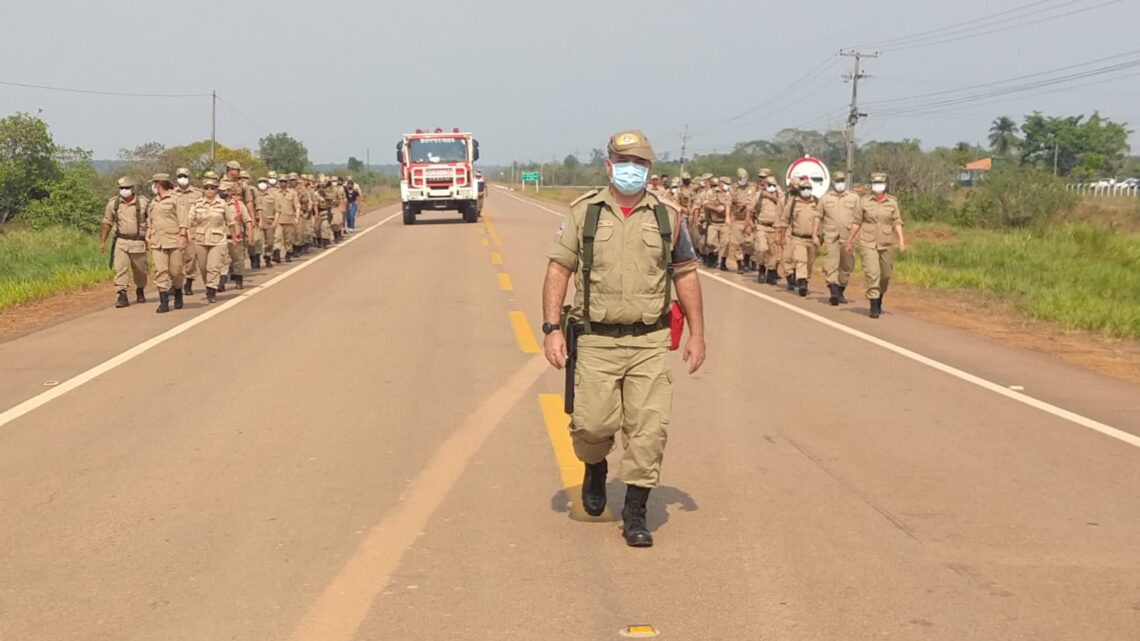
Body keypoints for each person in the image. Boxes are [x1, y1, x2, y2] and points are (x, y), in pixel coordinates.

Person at [542, 130, 706, 548]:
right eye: (624, 161)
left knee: (648, 429)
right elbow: (559, 269)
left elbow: (685, 274)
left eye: (640, 163)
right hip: (596, 341)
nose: (632, 169)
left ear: (650, 169)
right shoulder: (585, 213)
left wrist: (697, 333)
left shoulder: (669, 217)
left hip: (649, 342)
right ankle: (594, 466)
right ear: (608, 164)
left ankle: (636, 511)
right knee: (592, 425)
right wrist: (551, 329)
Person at [846, 172, 906, 319]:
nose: (878, 186)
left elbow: (897, 222)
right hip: (867, 242)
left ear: (885, 185)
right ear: (871, 185)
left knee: (885, 275)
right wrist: (849, 241)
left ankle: (879, 298)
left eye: (880, 183)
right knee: (872, 273)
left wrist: (901, 240)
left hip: (886, 243)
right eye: (875, 183)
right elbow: (856, 222)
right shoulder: (864, 201)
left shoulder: (892, 202)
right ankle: (873, 304)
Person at [99, 177, 150, 308]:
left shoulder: (143, 203)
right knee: (120, 268)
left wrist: (150, 239)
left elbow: (151, 222)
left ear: (133, 189)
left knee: (141, 270)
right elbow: (107, 222)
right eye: (121, 188)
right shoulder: (113, 204)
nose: (124, 191)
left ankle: (140, 289)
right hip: (121, 241)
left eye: (127, 188)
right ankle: (122, 294)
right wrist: (103, 241)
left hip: (138, 241)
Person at [187, 176, 239, 303]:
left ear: (217, 190)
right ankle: (209, 284)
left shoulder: (222, 204)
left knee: (213, 266)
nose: (209, 190)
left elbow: (230, 222)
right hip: (200, 239)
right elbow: (188, 221)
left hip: (218, 240)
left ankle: (211, 290)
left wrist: (234, 237)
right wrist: (188, 235)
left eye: (212, 188)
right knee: (203, 267)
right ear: (203, 190)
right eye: (206, 188)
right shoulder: (197, 204)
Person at [144, 173, 187, 313]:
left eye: (154, 183)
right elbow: (151, 221)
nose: (153, 186)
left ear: (159, 183)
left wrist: (182, 236)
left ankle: (178, 292)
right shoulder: (154, 201)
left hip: (174, 240)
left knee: (176, 271)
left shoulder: (175, 199)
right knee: (160, 271)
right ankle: (163, 302)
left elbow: (183, 219)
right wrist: (148, 235)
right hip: (158, 242)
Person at [817, 170, 861, 305]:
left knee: (847, 266)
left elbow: (859, 219)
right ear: (833, 182)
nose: (840, 184)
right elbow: (818, 216)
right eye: (837, 181)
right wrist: (815, 234)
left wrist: (859, 237)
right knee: (831, 264)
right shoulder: (825, 198)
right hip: (831, 236)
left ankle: (840, 289)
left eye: (842, 181)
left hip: (848, 237)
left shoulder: (854, 198)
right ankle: (834, 291)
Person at [777, 176, 822, 297]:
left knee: (809, 263)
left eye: (808, 188)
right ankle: (801, 282)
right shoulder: (793, 202)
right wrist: (782, 237)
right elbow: (784, 220)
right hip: (797, 238)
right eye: (803, 188)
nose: (806, 190)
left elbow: (823, 219)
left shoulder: (817, 202)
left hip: (812, 239)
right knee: (801, 260)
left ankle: (805, 281)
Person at [750, 168, 782, 284]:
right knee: (761, 249)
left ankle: (771, 273)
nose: (762, 180)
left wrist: (770, 196)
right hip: (762, 226)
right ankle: (761, 268)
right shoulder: (758, 194)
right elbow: (750, 208)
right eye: (761, 178)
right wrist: (749, 222)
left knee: (773, 253)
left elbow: (784, 204)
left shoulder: (778, 192)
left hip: (774, 227)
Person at [173, 167, 202, 296]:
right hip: (176, 231)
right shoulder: (172, 194)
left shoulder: (197, 194)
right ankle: (175, 284)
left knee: (191, 257)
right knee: (176, 259)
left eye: (184, 176)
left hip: (193, 230)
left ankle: (189, 282)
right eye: (180, 176)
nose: (182, 179)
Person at [219, 180, 252, 290]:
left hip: (236, 238)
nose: (221, 192)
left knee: (238, 260)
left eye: (223, 190)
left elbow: (247, 220)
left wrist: (250, 235)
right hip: (221, 238)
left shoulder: (238, 205)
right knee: (222, 261)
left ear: (229, 191)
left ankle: (238, 279)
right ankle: (221, 282)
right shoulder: (217, 204)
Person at [727, 168, 756, 275]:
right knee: (736, 242)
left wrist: (751, 221)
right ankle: (740, 263)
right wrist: (727, 217)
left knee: (750, 242)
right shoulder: (733, 189)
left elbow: (753, 204)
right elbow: (728, 203)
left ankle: (747, 259)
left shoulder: (752, 188)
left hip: (749, 218)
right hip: (737, 218)